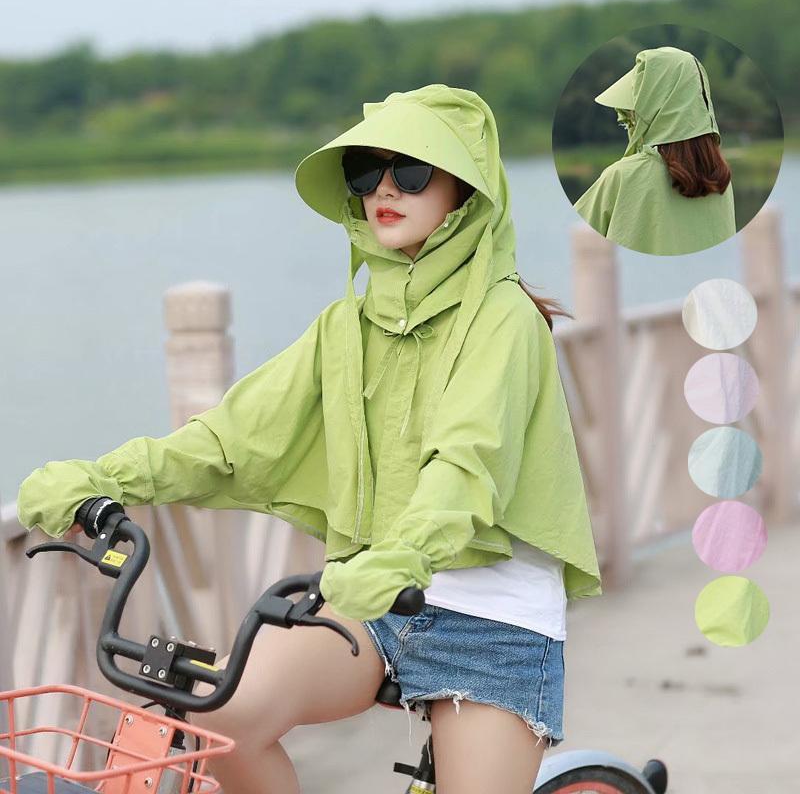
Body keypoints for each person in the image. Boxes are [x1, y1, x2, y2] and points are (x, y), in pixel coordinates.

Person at [17, 84, 602, 794]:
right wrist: (102, 478)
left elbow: (467, 462)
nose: (384, 189)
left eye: (411, 170)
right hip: (370, 602)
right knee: (220, 719)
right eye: (365, 171)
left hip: (491, 620)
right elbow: (230, 438)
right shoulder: (344, 326)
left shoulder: (505, 318)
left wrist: (405, 554)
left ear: (466, 191)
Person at [573, 46, 736, 255]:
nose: (629, 119)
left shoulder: (621, 177)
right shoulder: (721, 182)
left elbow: (571, 243)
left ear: (654, 108)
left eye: (632, 114)